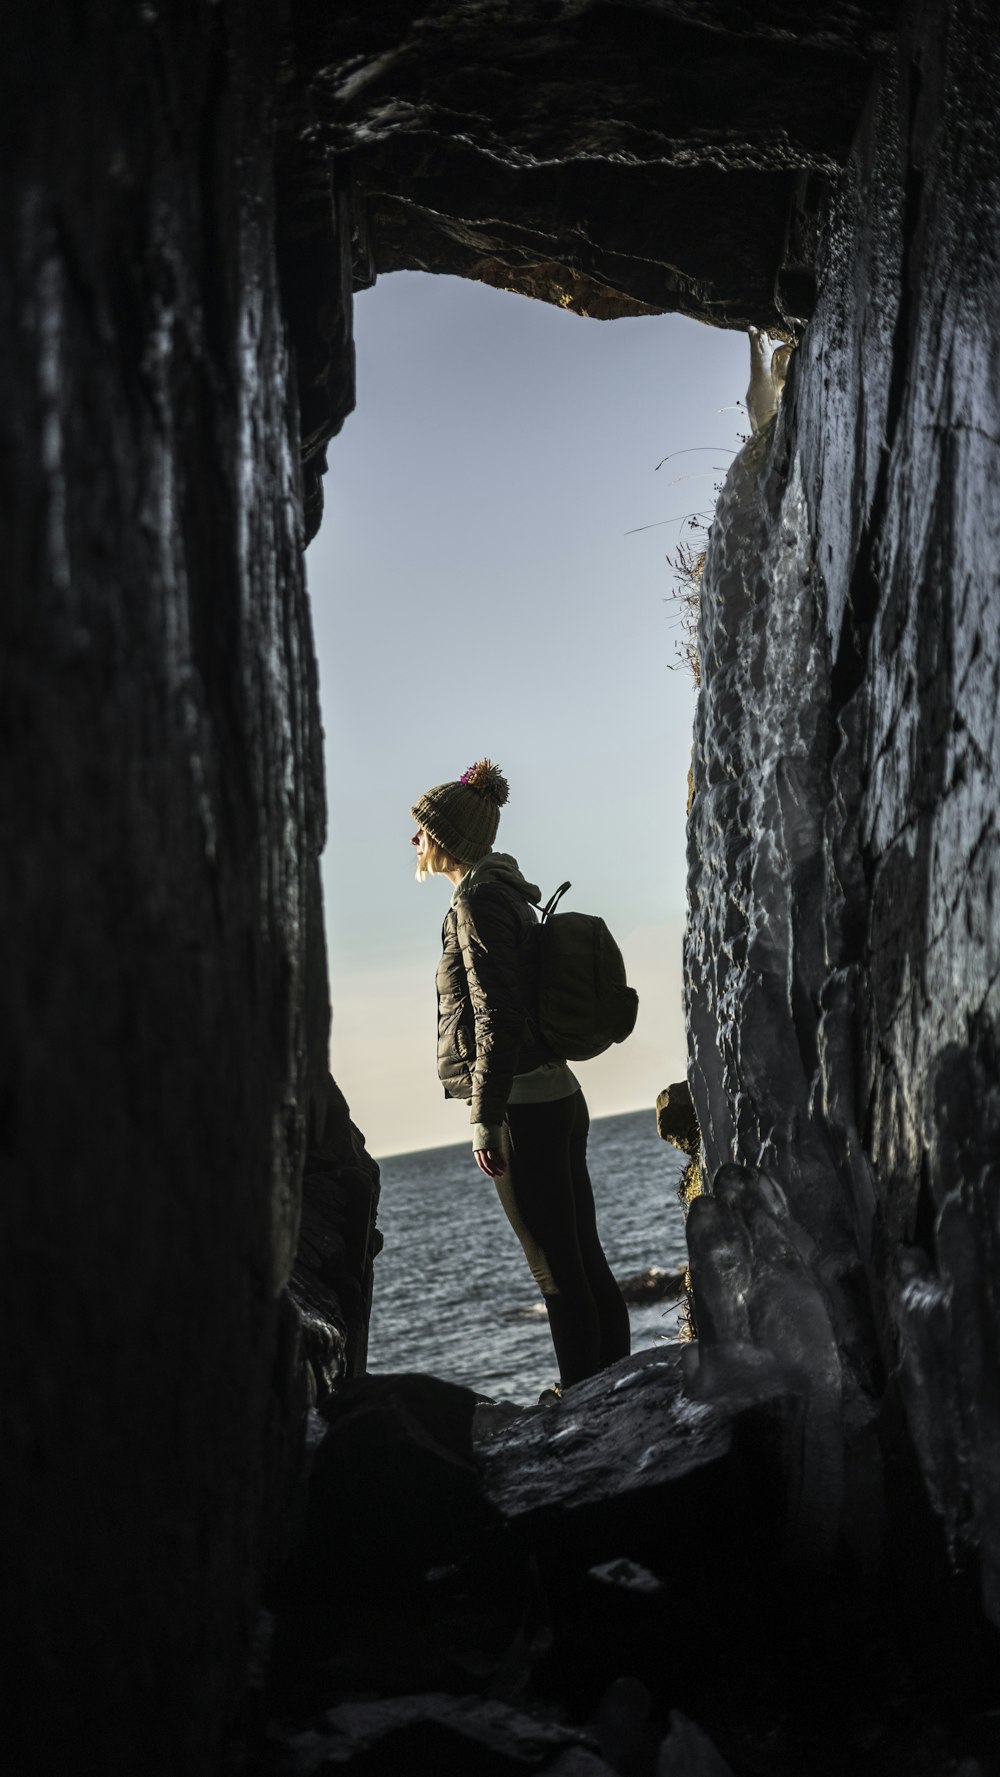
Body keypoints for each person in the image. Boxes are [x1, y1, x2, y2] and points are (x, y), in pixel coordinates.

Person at [411, 758, 630, 1392]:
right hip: (558, 1094)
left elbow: (496, 1016)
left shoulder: (477, 900)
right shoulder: (504, 892)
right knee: (582, 1253)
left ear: (447, 836)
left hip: (523, 1107)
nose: (414, 841)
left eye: (422, 829)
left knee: (553, 1269)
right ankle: (615, 1389)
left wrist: (484, 1115)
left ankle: (588, 1404)